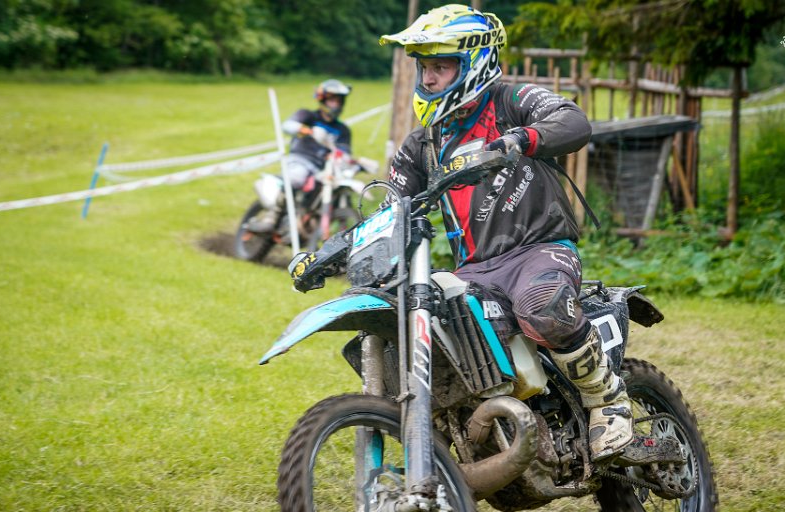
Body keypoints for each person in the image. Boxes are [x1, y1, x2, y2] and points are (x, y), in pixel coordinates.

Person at [379, 4, 633, 461]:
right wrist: (338, 247)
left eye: (441, 66)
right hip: (474, 271)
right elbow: (390, 206)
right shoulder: (423, 143)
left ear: (473, 64)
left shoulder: (511, 101)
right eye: (424, 67)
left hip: (540, 250)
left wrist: (519, 139)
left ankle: (607, 400)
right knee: (437, 342)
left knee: (542, 309)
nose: (429, 78)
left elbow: (573, 121)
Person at [249, 79, 353, 233]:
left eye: (339, 101)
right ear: (323, 100)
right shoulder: (308, 115)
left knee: (335, 189)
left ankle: (312, 223)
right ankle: (271, 217)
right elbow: (287, 126)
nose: (336, 104)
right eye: (333, 100)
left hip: (323, 168)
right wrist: (308, 130)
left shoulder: (343, 130)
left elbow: (345, 152)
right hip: (300, 160)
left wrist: (352, 161)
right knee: (297, 177)